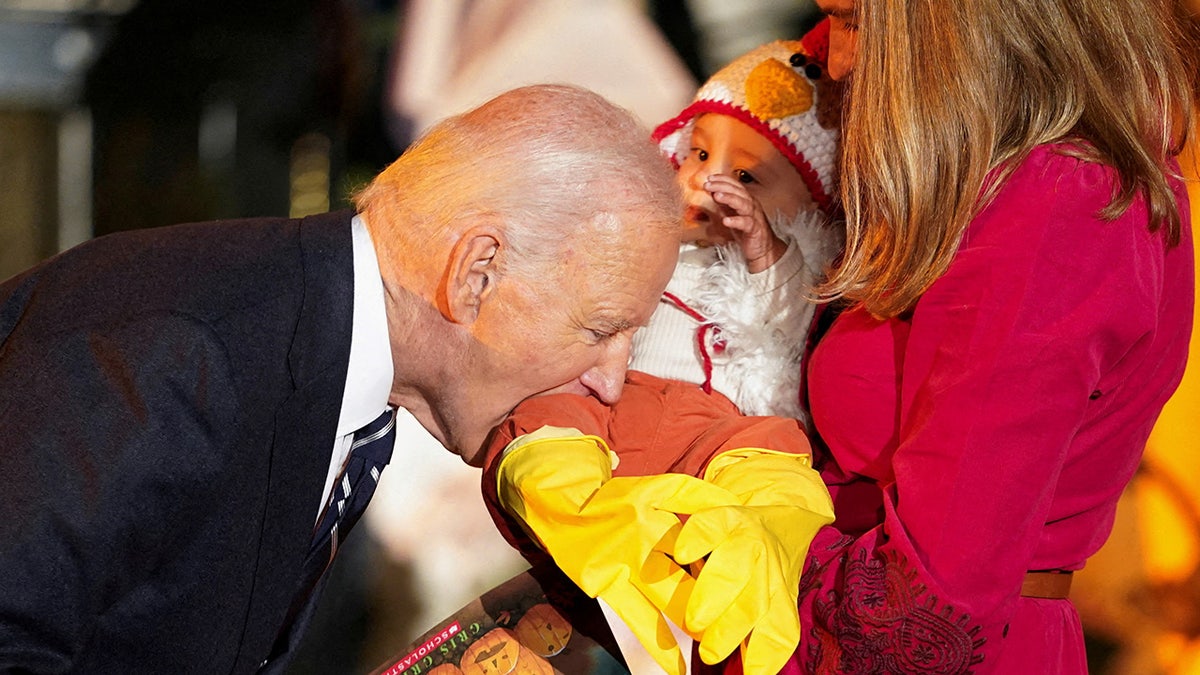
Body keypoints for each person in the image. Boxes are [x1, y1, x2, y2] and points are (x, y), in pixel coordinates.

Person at [0, 84, 683, 674]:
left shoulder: (337, 369)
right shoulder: (178, 348)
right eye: (600, 331)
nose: (611, 380)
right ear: (478, 275)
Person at [787, 0, 1195, 672]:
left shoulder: (1057, 200)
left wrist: (713, 546)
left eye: (855, 21)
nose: (835, 58)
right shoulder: (1029, 174)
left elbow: (926, 608)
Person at [479, 28, 845, 675]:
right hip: (622, 409)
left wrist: (765, 253)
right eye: (698, 155)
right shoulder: (655, 247)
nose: (708, 182)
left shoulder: (797, 272)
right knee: (542, 426)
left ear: (810, 203)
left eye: (747, 175)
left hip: (719, 435)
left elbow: (785, 339)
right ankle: (602, 524)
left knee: (782, 470)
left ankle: (749, 557)